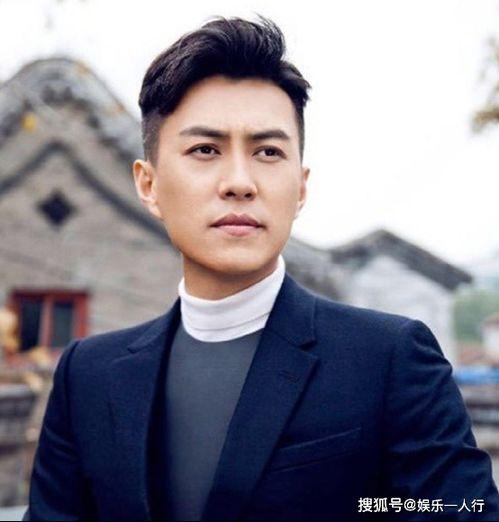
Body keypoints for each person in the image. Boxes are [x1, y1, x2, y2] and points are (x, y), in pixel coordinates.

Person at [23, 15, 499, 521]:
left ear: (301, 186)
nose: (239, 182)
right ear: (148, 184)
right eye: (205, 150)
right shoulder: (88, 377)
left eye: (268, 152)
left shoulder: (389, 360)